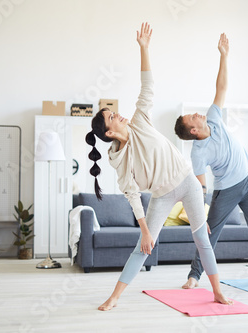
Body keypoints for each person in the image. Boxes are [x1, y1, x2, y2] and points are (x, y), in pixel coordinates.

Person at [86, 23, 233, 311]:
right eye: (113, 117)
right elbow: (132, 196)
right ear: (111, 133)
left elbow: (147, 86)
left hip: (188, 182)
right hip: (162, 195)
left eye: (114, 112)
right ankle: (114, 297)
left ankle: (216, 291)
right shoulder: (120, 162)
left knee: (202, 238)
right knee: (144, 246)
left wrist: (143, 48)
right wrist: (145, 230)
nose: (118, 115)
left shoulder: (140, 119)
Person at [174, 33, 248, 289]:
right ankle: (194, 276)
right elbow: (201, 187)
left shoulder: (213, 117)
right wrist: (199, 215)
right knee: (210, 233)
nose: (196, 114)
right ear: (193, 130)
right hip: (226, 189)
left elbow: (221, 88)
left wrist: (224, 55)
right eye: (191, 117)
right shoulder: (197, 153)